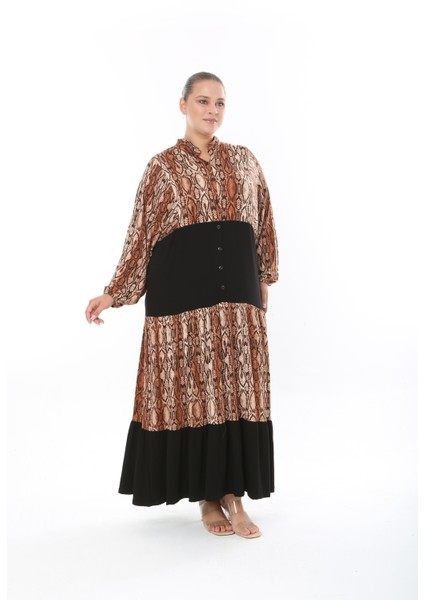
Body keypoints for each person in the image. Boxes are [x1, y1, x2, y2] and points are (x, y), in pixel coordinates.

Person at [85, 72, 279, 539]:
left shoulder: (245, 160)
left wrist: (263, 275)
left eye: (220, 103)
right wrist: (115, 291)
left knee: (237, 389)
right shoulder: (162, 167)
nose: (212, 110)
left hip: (237, 297)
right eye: (203, 101)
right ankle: (208, 498)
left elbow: (264, 218)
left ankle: (234, 495)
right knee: (196, 391)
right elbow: (141, 234)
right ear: (183, 105)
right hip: (182, 297)